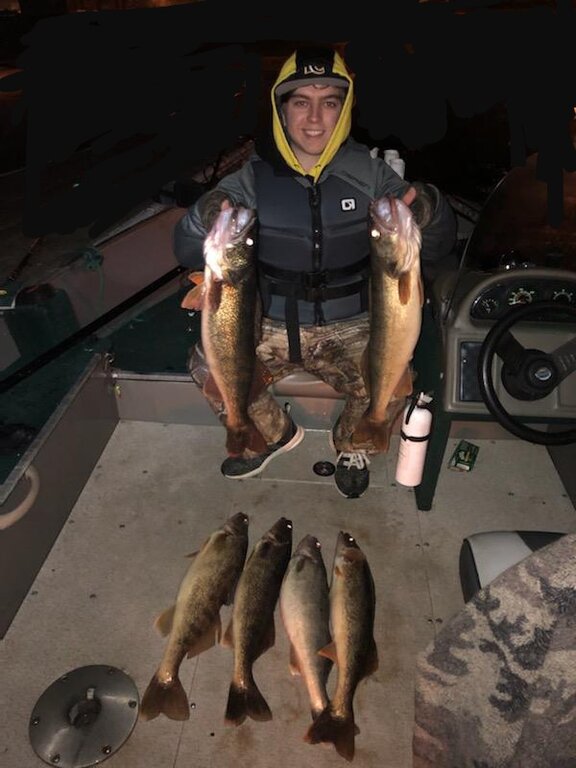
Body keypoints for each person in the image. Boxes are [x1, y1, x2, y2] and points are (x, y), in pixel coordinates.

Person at [173, 45, 457, 499]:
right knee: (208, 365)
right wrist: (203, 214)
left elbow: (439, 245)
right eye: (301, 102)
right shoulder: (250, 177)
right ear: (281, 109)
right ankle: (276, 434)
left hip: (354, 323)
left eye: (329, 103)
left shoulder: (371, 174)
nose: (314, 118)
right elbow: (186, 249)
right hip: (270, 322)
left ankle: (352, 444)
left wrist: (429, 208)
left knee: (393, 382)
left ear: (344, 111)